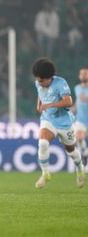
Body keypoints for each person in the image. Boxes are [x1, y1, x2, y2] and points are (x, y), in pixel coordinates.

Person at [32, 58, 85, 189]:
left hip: (64, 122)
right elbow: (40, 94)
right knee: (43, 143)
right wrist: (39, 104)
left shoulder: (60, 83)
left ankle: (80, 168)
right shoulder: (38, 82)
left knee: (71, 151)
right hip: (48, 119)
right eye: (37, 80)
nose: (39, 82)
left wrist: (50, 104)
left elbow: (68, 102)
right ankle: (45, 174)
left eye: (41, 80)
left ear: (49, 78)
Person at [73, 68, 88, 165]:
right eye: (81, 74)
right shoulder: (77, 88)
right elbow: (78, 101)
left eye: (85, 74)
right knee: (78, 137)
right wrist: (73, 108)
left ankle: (86, 153)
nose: (83, 75)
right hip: (80, 118)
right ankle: (85, 153)